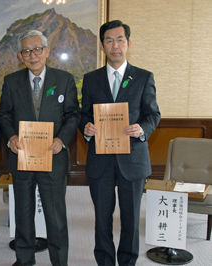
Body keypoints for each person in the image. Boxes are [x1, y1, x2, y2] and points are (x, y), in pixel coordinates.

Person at [79, 20, 160, 266]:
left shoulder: (144, 77)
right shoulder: (91, 79)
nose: (115, 46)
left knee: (130, 219)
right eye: (109, 40)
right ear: (102, 45)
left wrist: (141, 129)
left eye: (120, 40)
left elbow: (153, 115)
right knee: (102, 218)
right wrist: (87, 128)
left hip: (132, 159)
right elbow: (84, 114)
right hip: (100, 159)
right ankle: (104, 261)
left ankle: (127, 262)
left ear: (128, 43)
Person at [0, 30, 80, 266]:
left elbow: (73, 114)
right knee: (22, 214)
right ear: (20, 56)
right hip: (22, 157)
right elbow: (3, 115)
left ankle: (59, 261)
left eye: (37, 49)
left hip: (53, 157)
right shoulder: (11, 82)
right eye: (26, 51)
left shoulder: (64, 80)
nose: (32, 55)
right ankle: (24, 259)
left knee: (55, 216)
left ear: (47, 52)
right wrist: (11, 137)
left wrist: (61, 139)